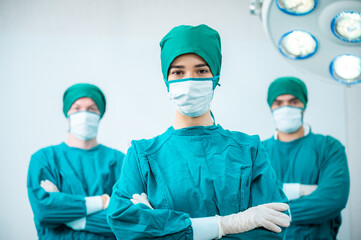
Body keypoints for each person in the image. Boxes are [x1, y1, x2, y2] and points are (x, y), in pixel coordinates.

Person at [107, 24, 290, 240]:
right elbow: (125, 225)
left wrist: (163, 225)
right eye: (178, 72)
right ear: (167, 80)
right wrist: (227, 225)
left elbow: (274, 228)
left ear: (215, 77)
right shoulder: (142, 155)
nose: (190, 80)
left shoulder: (248, 150)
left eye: (201, 70)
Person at [27, 83, 125, 239]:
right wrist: (103, 201)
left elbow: (125, 220)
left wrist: (69, 214)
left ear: (100, 114)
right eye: (77, 108)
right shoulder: (45, 159)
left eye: (92, 108)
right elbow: (45, 212)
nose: (84, 114)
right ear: (67, 113)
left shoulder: (118, 161)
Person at [262, 77, 350, 239]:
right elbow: (249, 200)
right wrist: (302, 190)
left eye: (293, 101)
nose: (286, 107)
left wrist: (273, 213)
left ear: (304, 105)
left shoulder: (329, 147)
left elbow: (332, 199)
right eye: (279, 103)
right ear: (271, 107)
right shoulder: (259, 151)